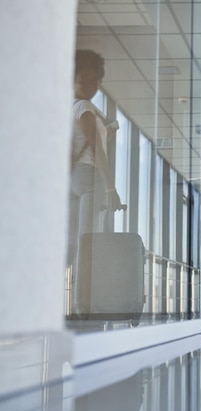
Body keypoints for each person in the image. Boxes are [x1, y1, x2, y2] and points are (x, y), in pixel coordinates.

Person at [67, 50, 123, 309]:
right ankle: (83, 308)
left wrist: (106, 131)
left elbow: (88, 143)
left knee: (73, 246)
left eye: (94, 81)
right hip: (89, 179)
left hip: (72, 180)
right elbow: (98, 151)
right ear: (73, 77)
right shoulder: (86, 108)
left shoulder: (70, 105)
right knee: (87, 247)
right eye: (84, 79)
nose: (89, 85)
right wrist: (111, 189)